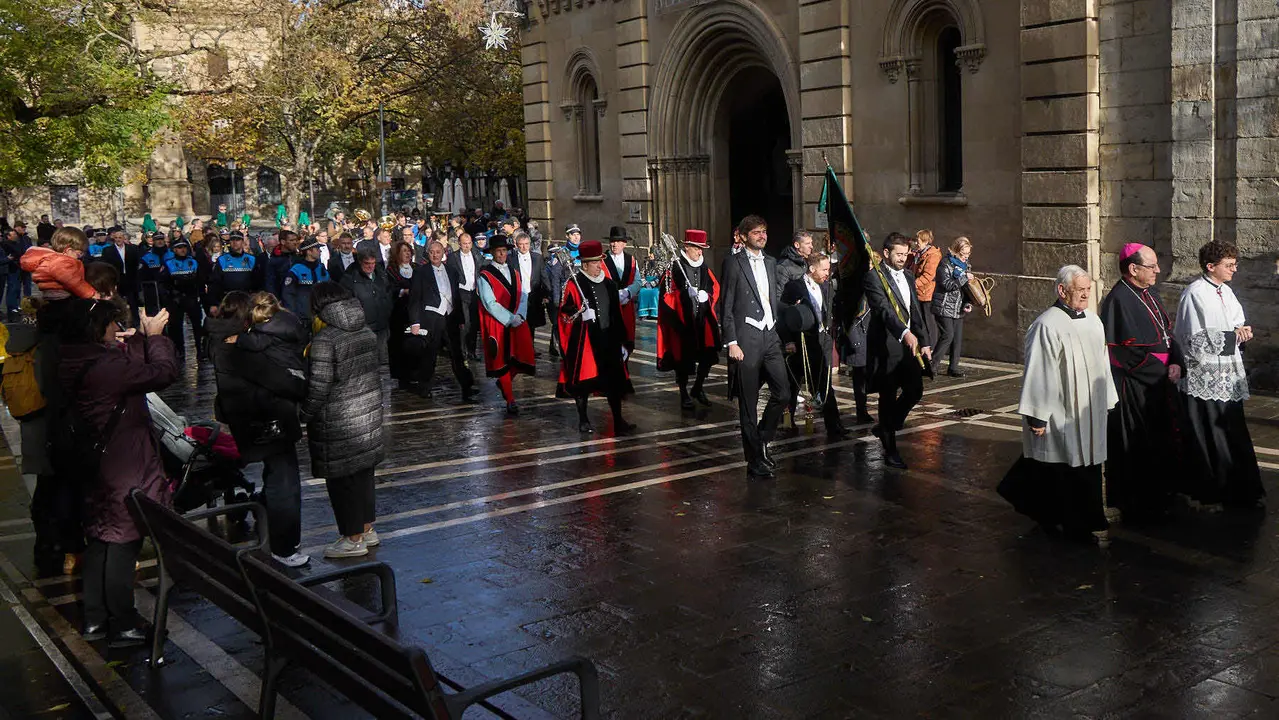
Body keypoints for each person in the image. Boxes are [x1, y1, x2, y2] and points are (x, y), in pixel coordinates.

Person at [59, 299, 178, 646]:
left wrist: (140, 337)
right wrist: (155, 338)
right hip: (123, 461)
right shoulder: (104, 367)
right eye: (112, 324)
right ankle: (124, 622)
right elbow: (162, 373)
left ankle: (95, 620)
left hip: (96, 460)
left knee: (100, 537)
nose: (116, 330)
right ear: (96, 328)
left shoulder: (77, 358)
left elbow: (130, 369)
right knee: (124, 540)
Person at [998, 265, 1117, 543]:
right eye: (1081, 290)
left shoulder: (1092, 320)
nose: (1086, 295)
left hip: (1089, 410)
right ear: (1062, 291)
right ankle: (1071, 525)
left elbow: (1103, 363)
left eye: (1089, 290)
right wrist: (1037, 415)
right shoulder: (1047, 324)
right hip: (1062, 411)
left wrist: (1107, 398)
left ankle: (1083, 520)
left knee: (1086, 466)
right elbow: (1039, 371)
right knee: (1061, 468)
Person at [208, 292, 309, 566]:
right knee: (284, 481)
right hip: (267, 422)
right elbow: (283, 382)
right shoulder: (239, 349)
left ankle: (266, 514)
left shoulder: (224, 341)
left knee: (278, 477)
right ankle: (284, 546)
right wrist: (299, 381)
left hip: (252, 419)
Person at [1097, 243, 1184, 522]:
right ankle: (1136, 502)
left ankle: (1163, 492)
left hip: (1159, 379)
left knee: (1162, 439)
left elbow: (1167, 333)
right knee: (1137, 444)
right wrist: (1158, 370)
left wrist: (1176, 361)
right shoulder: (1117, 300)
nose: (1157, 270)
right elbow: (1118, 351)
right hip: (1135, 385)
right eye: (1152, 265)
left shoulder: (1150, 293)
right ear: (1133, 269)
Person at [1174, 240, 1264, 510]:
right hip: (1206, 375)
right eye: (1229, 265)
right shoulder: (1195, 293)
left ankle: (1243, 490)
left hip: (1228, 374)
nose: (1234, 269)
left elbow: (1236, 320)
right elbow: (1192, 338)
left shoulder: (1226, 291)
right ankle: (1219, 491)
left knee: (1234, 432)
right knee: (1213, 435)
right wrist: (1232, 335)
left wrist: (1243, 331)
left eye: (1235, 264)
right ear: (1210, 266)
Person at [301, 283, 385, 559]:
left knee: (341, 481)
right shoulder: (365, 329)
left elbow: (318, 387)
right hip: (367, 413)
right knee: (363, 474)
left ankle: (352, 538)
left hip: (337, 419)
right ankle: (366, 528)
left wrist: (304, 413)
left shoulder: (326, 340)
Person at [720, 215, 789, 479]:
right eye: (757, 232)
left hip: (770, 336)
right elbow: (725, 306)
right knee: (748, 404)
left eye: (764, 231)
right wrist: (731, 342)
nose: (762, 236)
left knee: (783, 393)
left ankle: (760, 438)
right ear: (744, 235)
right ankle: (754, 461)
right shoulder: (733, 263)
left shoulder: (771, 262)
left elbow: (772, 299)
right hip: (745, 339)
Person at [864, 233, 932, 470]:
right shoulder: (874, 277)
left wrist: (924, 341)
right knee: (888, 395)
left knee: (915, 390)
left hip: (910, 345)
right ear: (886, 253)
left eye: (906, 254)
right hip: (887, 345)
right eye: (899, 254)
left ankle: (887, 425)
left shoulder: (909, 275)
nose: (903, 258)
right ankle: (890, 449)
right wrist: (904, 332)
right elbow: (883, 310)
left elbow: (915, 310)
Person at [556, 240, 636, 434]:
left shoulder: (609, 284)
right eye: (595, 263)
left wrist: (623, 341)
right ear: (585, 264)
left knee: (614, 383)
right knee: (584, 382)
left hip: (608, 339)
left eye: (600, 261)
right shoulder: (575, 284)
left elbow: (616, 314)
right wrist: (579, 315)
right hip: (585, 342)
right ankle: (583, 418)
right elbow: (564, 313)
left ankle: (618, 420)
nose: (599, 266)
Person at [779, 253, 848, 438]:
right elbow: (782, 314)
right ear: (812, 269)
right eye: (824, 269)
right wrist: (788, 341)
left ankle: (834, 427)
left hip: (820, 341)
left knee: (824, 385)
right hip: (799, 342)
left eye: (828, 269)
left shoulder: (826, 285)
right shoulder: (794, 287)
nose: (828, 273)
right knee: (792, 384)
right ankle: (786, 422)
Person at [657, 229, 720, 410]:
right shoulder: (675, 267)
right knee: (682, 360)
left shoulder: (703, 267)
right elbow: (665, 295)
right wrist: (683, 294)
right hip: (682, 321)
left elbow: (714, 287)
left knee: (709, 354)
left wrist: (706, 295)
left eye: (702, 249)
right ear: (687, 247)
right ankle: (684, 393)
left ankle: (698, 387)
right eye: (697, 248)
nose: (700, 252)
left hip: (701, 318)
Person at [408, 241, 476, 401]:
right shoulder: (421, 272)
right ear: (428, 253)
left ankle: (467, 386)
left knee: (457, 354)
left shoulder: (451, 271)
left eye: (438, 252)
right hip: (432, 318)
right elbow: (414, 299)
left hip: (450, 318)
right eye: (432, 252)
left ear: (443, 252)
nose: (435, 255)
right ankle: (425, 387)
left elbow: (456, 296)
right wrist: (415, 322)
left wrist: (459, 318)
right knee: (430, 354)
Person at [477, 234, 535, 414]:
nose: (501, 254)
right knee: (501, 359)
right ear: (492, 253)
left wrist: (520, 315)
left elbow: (524, 294)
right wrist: (510, 318)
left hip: (518, 320)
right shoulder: (484, 275)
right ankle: (510, 399)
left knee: (522, 356)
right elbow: (489, 303)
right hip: (498, 323)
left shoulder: (515, 272)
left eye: (504, 251)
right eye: (498, 251)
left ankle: (505, 382)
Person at [339, 247, 394, 366]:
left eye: (373, 263)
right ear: (360, 262)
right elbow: (345, 303)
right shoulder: (349, 278)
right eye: (367, 263)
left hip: (382, 324)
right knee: (366, 363)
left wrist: (388, 310)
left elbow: (388, 292)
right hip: (363, 326)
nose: (370, 266)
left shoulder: (380, 273)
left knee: (383, 362)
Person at [931, 236, 973, 377]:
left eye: (968, 254)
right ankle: (932, 365)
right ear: (955, 251)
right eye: (963, 254)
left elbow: (967, 289)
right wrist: (964, 278)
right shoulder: (945, 264)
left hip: (958, 306)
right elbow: (947, 285)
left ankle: (953, 367)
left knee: (957, 338)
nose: (965, 257)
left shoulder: (966, 265)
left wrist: (967, 303)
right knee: (947, 335)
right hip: (944, 305)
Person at [162, 237, 206, 360]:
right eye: (179, 248)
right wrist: (172, 295)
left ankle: (200, 349)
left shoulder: (193, 262)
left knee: (197, 326)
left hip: (192, 298)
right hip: (176, 300)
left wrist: (200, 296)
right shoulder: (169, 263)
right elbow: (163, 283)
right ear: (174, 250)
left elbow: (200, 281)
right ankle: (179, 350)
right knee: (176, 327)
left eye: (184, 247)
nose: (183, 250)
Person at [544, 223, 583, 359]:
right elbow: (555, 278)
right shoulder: (561, 254)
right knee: (564, 324)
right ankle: (562, 347)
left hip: (582, 295)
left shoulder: (583, 251)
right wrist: (556, 299)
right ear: (567, 236)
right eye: (573, 234)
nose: (576, 237)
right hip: (566, 295)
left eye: (578, 234)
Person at [602, 226, 641, 353]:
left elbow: (638, 281)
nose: (614, 244)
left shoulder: (632, 260)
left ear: (624, 243)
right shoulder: (602, 260)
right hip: (609, 308)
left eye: (618, 241)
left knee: (626, 343)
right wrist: (613, 294)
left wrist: (628, 292)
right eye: (612, 241)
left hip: (627, 308)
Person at [446, 232, 484, 361]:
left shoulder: (477, 255)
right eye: (464, 244)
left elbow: (481, 271)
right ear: (459, 244)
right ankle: (462, 351)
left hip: (474, 292)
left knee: (474, 323)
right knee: (464, 323)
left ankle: (472, 351)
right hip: (461, 291)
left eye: (469, 243)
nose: (467, 246)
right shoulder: (452, 257)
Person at [206, 230, 264, 312]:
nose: (235, 242)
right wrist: (213, 303)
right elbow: (214, 283)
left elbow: (258, 282)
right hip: (227, 300)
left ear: (242, 242)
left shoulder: (252, 259)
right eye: (232, 240)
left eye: (238, 240)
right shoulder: (222, 259)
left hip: (246, 300)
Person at [385, 240, 417, 384]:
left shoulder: (416, 268)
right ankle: (401, 375)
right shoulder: (391, 271)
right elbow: (388, 290)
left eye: (409, 250)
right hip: (398, 312)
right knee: (399, 343)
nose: (407, 253)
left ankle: (415, 371)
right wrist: (402, 291)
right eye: (404, 251)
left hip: (414, 311)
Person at [281, 236, 331, 326]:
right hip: (302, 317)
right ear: (309, 251)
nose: (320, 251)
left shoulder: (321, 268)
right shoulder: (296, 270)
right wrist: (294, 316)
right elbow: (288, 294)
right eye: (317, 249)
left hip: (321, 315)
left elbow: (330, 288)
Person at [507, 231, 547, 336]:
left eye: (526, 244)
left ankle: (530, 348)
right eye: (521, 244)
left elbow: (544, 277)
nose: (524, 247)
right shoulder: (511, 259)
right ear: (516, 244)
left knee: (532, 323)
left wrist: (546, 294)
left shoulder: (537, 258)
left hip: (533, 294)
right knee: (518, 322)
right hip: (518, 295)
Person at [910, 229, 941, 347]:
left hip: (926, 293)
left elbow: (928, 275)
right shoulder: (919, 253)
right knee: (920, 321)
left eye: (918, 241)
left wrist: (913, 285)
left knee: (929, 322)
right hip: (918, 292)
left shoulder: (932, 255)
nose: (916, 243)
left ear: (925, 241)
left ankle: (932, 346)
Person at [265, 230, 300, 298]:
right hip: (281, 299)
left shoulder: (298, 258)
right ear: (283, 242)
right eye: (291, 240)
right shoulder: (274, 260)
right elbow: (270, 283)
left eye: (296, 240)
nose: (295, 242)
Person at [638, 249, 660, 320]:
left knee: (655, 293)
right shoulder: (646, 263)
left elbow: (660, 276)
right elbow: (641, 274)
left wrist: (652, 284)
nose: (650, 255)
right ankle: (644, 313)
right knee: (642, 292)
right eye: (650, 253)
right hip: (646, 283)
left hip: (656, 285)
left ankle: (654, 313)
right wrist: (645, 283)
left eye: (652, 253)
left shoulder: (660, 265)